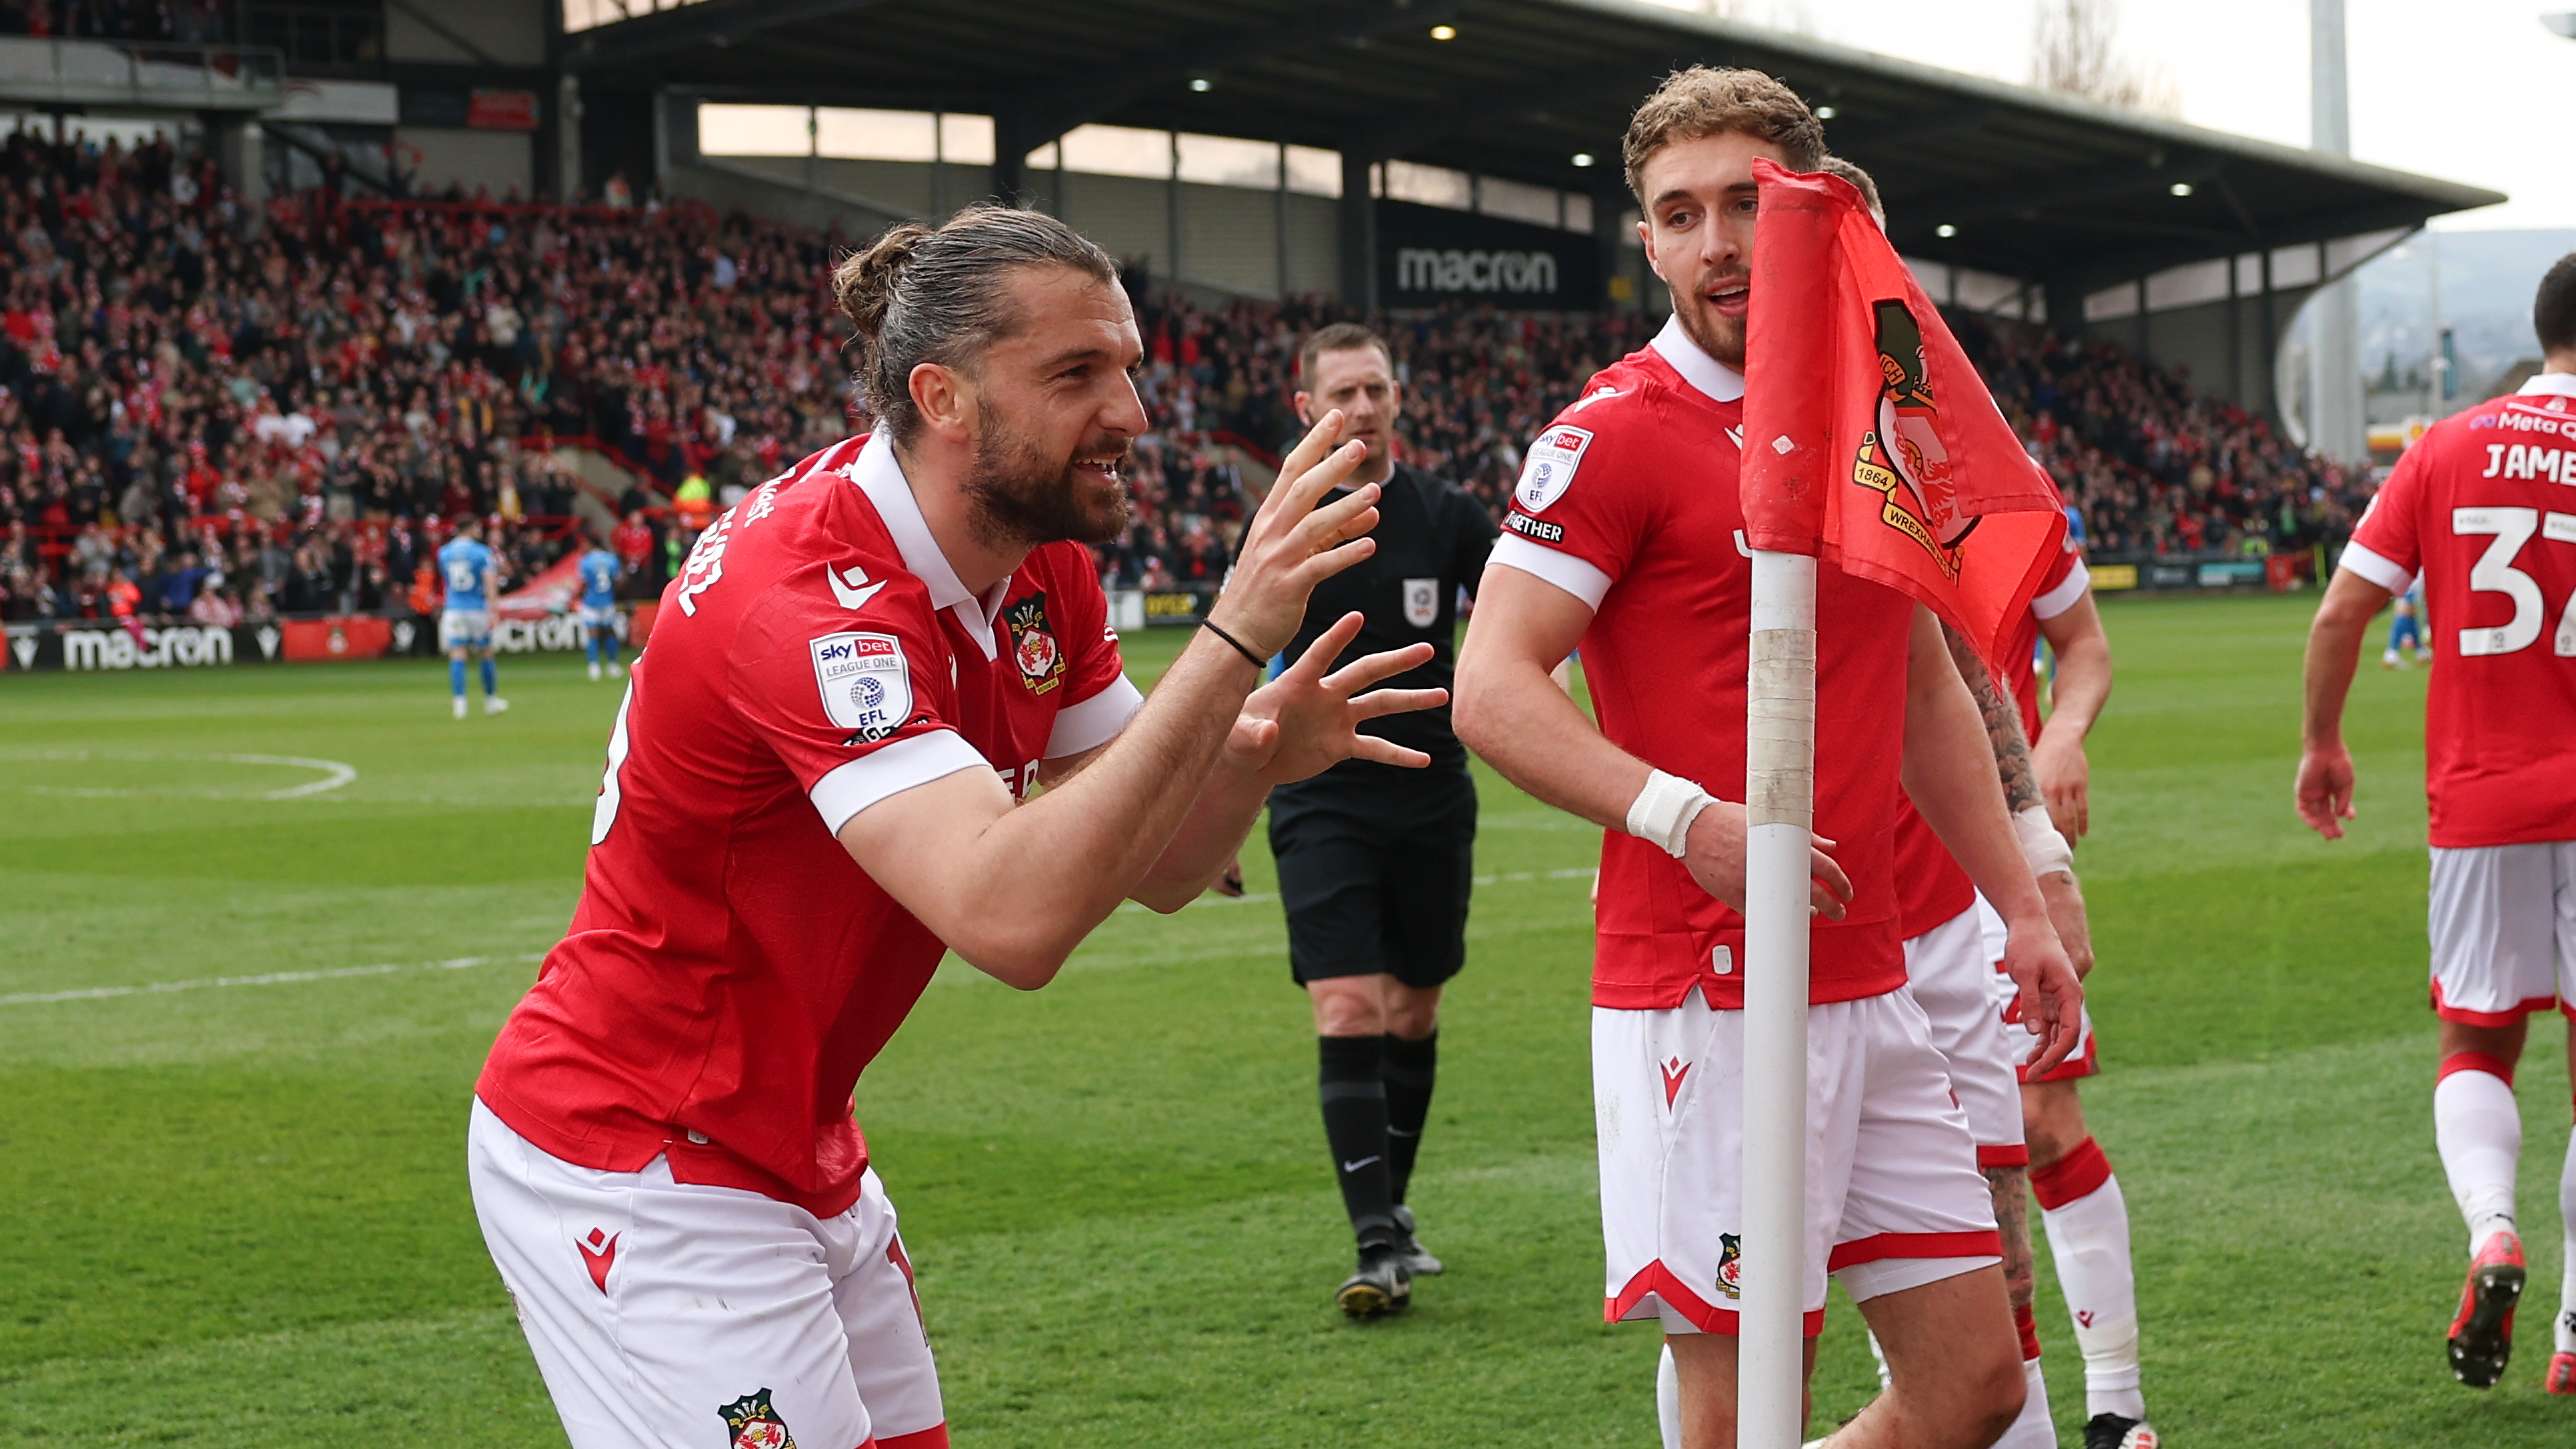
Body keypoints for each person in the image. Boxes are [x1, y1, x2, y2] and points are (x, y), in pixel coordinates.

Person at [467, 204, 1447, 1449]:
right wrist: (1235, 632)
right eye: (1077, 374)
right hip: (638, 1150)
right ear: (944, 397)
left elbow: (1160, 865)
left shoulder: (1038, 559)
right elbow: (1011, 919)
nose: (1133, 416)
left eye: (1130, 370)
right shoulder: (812, 601)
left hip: (791, 1138)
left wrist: (1254, 755)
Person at [1451, 67, 2083, 1449]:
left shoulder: (1867, 419)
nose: (1716, 242)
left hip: (1875, 976)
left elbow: (1922, 684)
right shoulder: (1614, 433)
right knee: (1741, 1413)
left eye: (1746, 202)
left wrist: (2018, 906)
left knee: (1975, 1385)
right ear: (1650, 241)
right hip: (1707, 987)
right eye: (1679, 215)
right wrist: (1692, 820)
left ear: (1819, 209)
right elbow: (1491, 688)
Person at [2297, 251, 2576, 1399]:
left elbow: (2340, 611)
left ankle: (2492, 1232)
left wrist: (2321, 743)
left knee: (2474, 1043)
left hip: (2481, 800)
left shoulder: (2448, 446)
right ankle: (2573, 1336)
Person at [1248, 321, 1496, 1318]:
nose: (1360, 408)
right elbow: (1234, 663)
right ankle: (1371, 1241)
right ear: (1307, 411)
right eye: (1340, 393)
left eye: (1375, 390)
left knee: (1413, 1009)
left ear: (1398, 399)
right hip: (1320, 795)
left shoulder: (1447, 514)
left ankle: (1390, 1212)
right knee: (1347, 1004)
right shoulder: (1284, 524)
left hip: (1430, 794)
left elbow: (1529, 609)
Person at [437, 517, 507, 719]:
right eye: (477, 526)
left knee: (458, 654)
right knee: (485, 653)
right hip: (476, 608)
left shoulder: (444, 552)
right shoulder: (482, 552)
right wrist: (494, 610)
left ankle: (460, 705)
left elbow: (447, 581)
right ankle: (490, 701)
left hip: (454, 609)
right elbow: (490, 582)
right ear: (469, 528)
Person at [575, 533, 622, 681]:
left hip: (591, 602)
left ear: (590, 543)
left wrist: (577, 596)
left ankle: (594, 666)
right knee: (609, 633)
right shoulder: (611, 559)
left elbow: (582, 583)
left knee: (592, 634)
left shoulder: (585, 561)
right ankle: (613, 665)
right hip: (607, 601)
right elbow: (619, 580)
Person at [2382, 584, 2424, 669]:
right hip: (2411, 580)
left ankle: (2421, 652)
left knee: (2410, 613)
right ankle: (2391, 654)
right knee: (2405, 610)